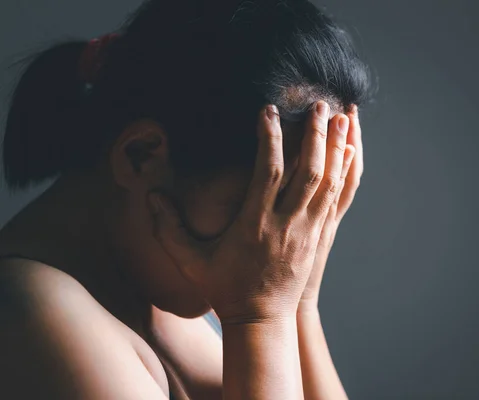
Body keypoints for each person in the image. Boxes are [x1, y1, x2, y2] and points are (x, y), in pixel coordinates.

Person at [0, 0, 372, 398]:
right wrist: (260, 317)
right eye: (262, 206)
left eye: (304, 211)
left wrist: (298, 302)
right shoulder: (29, 310)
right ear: (140, 157)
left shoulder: (166, 288)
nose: (282, 245)